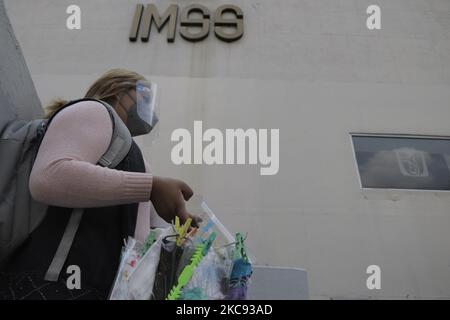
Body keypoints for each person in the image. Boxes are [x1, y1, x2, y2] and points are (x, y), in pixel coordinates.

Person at [0, 69, 197, 300]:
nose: (151, 109)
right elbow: (48, 177)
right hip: (53, 286)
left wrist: (180, 234)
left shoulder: (131, 152)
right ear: (117, 90)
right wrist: (150, 186)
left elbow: (140, 233)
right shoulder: (94, 111)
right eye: (144, 95)